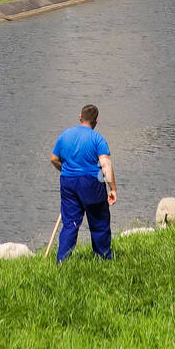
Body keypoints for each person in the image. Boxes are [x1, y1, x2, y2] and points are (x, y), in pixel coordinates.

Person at [50, 104, 116, 262]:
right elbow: (105, 165)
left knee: (70, 223)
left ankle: (62, 261)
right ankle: (103, 257)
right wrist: (113, 189)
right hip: (92, 183)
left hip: (68, 182)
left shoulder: (65, 135)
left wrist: (65, 170)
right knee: (99, 222)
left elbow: (53, 158)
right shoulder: (97, 138)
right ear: (96, 120)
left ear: (80, 117)